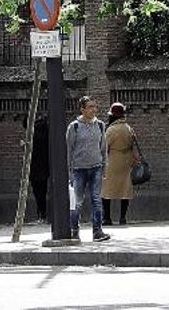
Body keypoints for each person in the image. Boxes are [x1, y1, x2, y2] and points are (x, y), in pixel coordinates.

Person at [66, 95, 111, 242]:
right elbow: (68, 150)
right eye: (90, 107)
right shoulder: (74, 127)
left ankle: (97, 231)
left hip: (96, 167)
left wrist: (104, 167)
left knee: (96, 200)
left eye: (95, 106)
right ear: (82, 109)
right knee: (77, 201)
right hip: (78, 169)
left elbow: (103, 148)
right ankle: (74, 231)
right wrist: (69, 172)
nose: (94, 110)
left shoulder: (100, 125)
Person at [102, 102, 144, 226]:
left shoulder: (111, 130)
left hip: (112, 161)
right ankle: (122, 218)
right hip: (126, 161)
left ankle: (107, 218)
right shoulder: (128, 128)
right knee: (125, 190)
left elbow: (104, 147)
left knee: (106, 190)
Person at [30, 115, 51, 223]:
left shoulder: (33, 135)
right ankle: (44, 215)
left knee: (38, 193)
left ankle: (42, 214)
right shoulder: (48, 134)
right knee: (43, 191)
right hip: (46, 167)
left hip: (35, 168)